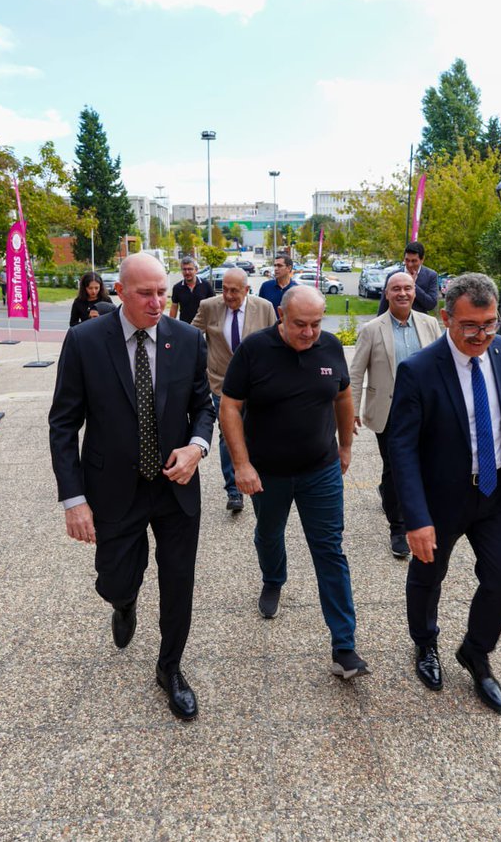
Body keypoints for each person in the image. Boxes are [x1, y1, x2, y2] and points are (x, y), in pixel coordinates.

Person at [48, 252, 215, 721]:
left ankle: (171, 668)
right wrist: (74, 499)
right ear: (119, 291)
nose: (158, 301)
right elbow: (63, 424)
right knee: (116, 578)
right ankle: (123, 603)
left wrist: (197, 447)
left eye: (162, 291)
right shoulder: (84, 341)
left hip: (174, 484)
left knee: (179, 581)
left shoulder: (187, 340)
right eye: (146, 293)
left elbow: (204, 405)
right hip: (113, 487)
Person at [388, 273, 501, 712]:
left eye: (490, 324)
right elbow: (402, 448)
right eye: (471, 326)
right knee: (429, 576)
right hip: (441, 498)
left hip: (496, 492)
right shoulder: (419, 369)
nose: (482, 335)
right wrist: (415, 518)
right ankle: (425, 644)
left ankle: (475, 651)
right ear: (446, 317)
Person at [220, 285, 370, 679]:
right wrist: (242, 464)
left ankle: (344, 646)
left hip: (319, 469)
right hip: (266, 473)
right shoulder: (255, 350)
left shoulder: (330, 347)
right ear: (282, 316)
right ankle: (273, 579)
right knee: (270, 534)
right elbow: (230, 407)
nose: (309, 333)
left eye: (316, 324)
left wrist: (346, 446)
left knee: (330, 550)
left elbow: (342, 395)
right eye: (300, 324)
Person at [349, 270, 442, 559]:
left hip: (425, 411)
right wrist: (351, 410)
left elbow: (443, 365)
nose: (402, 293)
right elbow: (355, 373)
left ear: (415, 292)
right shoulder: (372, 329)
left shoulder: (429, 324)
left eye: (408, 288)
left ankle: (422, 516)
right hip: (388, 412)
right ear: (386, 293)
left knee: (426, 465)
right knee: (394, 469)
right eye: (396, 289)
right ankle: (399, 529)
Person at [190, 267, 276, 513]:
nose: (228, 295)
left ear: (246, 290)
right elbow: (190, 336)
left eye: (234, 291)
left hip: (257, 384)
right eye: (224, 289)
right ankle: (234, 489)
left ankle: (260, 475)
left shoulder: (264, 308)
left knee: (258, 431)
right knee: (228, 435)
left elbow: (275, 341)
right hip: (221, 383)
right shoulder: (209, 306)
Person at [375, 241, 440, 315]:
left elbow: (431, 304)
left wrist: (413, 284)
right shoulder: (393, 276)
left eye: (414, 261)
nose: (410, 264)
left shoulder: (431, 276)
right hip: (395, 321)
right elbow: (384, 305)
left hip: (419, 323)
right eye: (407, 260)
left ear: (422, 260)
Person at [169, 255, 214, 324]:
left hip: (203, 325)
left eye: (190, 269)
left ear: (196, 270)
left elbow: (213, 305)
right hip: (185, 326)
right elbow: (174, 307)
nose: (187, 272)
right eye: (184, 269)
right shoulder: (177, 288)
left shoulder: (206, 285)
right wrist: (170, 325)